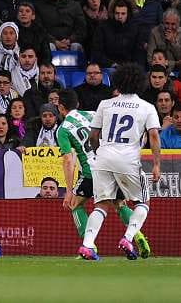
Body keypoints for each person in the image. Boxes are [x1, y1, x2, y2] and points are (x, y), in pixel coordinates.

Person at [56, 88, 150, 260]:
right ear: (77, 104)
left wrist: (68, 190)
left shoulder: (63, 129)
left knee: (75, 204)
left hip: (91, 171)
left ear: (61, 108)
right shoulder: (93, 114)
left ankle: (89, 246)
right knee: (119, 204)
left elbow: (69, 160)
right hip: (112, 164)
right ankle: (136, 235)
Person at [80, 63, 161, 260]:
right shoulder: (147, 107)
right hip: (128, 159)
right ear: (140, 83)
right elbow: (154, 136)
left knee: (102, 204)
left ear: (118, 82)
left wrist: (100, 152)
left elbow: (93, 136)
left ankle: (87, 245)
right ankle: (128, 237)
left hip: (104, 157)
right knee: (143, 201)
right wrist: (157, 164)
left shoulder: (105, 104)